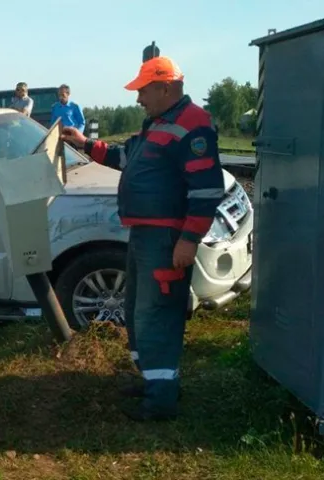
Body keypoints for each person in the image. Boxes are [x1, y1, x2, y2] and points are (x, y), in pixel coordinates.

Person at [61, 56, 225, 422]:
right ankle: (152, 381)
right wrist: (86, 143)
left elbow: (206, 190)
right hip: (145, 236)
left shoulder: (192, 125)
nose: (138, 99)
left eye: (143, 91)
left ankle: (161, 402)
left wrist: (189, 240)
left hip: (166, 239)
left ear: (165, 87)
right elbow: (125, 156)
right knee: (137, 310)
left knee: (157, 315)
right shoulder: (159, 123)